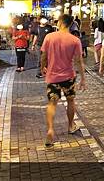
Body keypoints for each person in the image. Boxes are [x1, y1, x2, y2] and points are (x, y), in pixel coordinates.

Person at [41, 14, 87, 147]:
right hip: (68, 76)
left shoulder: (49, 37)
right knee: (71, 100)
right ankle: (71, 125)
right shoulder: (74, 40)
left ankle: (50, 130)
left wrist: (42, 67)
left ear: (60, 23)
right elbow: (79, 61)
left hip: (52, 76)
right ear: (71, 24)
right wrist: (83, 79)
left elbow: (44, 55)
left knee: (52, 102)